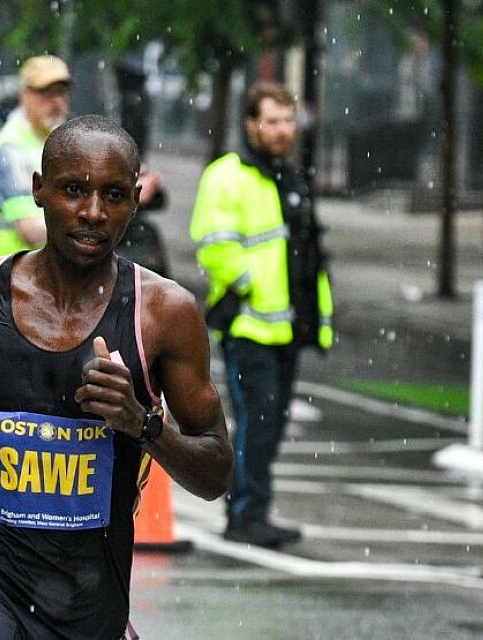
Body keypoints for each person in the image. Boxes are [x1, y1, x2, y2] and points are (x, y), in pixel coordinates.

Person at [0, 115, 233, 639]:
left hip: (91, 596)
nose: (93, 212)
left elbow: (216, 472)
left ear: (135, 200)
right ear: (39, 190)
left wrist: (141, 423)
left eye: (114, 195)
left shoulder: (164, 314)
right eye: (74, 190)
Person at [189, 81, 334, 549]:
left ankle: (255, 510)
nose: (283, 130)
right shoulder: (227, 176)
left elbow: (305, 251)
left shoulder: (286, 177)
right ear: (251, 124)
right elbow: (214, 247)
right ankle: (245, 513)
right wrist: (249, 284)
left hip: (286, 326)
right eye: (272, 121)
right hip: (250, 325)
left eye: (288, 121)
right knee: (257, 421)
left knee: (271, 424)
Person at [0, 54, 161, 260]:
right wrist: (123, 204)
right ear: (24, 96)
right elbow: (31, 230)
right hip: (13, 274)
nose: (57, 102)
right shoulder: (10, 150)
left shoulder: (63, 144)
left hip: (50, 273)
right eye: (47, 93)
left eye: (62, 92)